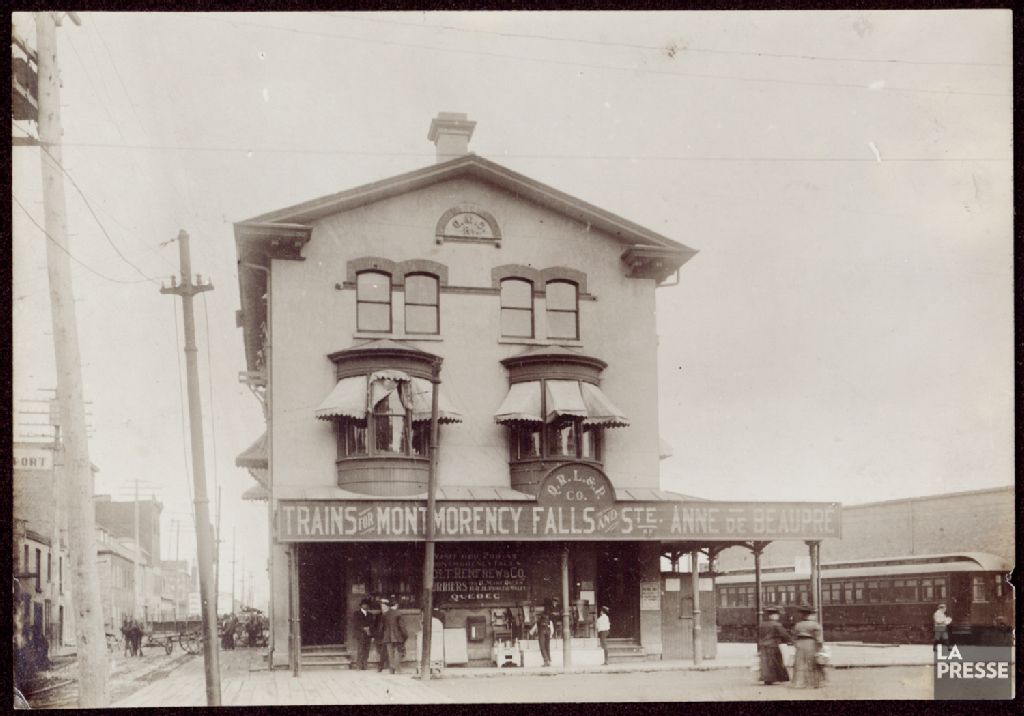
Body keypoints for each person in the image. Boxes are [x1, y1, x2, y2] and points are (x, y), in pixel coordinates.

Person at [790, 605, 824, 689]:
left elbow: (793, 637)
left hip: (800, 644)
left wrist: (796, 644)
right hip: (811, 644)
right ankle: (812, 683)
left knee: (799, 663)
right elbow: (819, 639)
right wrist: (820, 647)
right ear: (810, 615)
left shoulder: (797, 625)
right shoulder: (815, 625)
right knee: (811, 662)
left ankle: (799, 683)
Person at [757, 607, 791, 685]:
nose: (778, 616)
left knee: (765, 663)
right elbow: (784, 634)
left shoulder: (762, 624)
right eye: (776, 615)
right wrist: (791, 641)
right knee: (776, 661)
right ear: (772, 616)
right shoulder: (776, 624)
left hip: (764, 646)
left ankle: (767, 679)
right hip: (773, 645)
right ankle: (776, 678)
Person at [379, 596, 408, 674]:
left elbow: (381, 628)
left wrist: (382, 637)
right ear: (396, 605)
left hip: (387, 637)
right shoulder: (398, 614)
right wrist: (405, 636)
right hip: (398, 637)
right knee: (399, 653)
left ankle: (392, 670)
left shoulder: (384, 614)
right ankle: (397, 669)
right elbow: (402, 627)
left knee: (390, 654)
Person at [352, 598, 374, 670]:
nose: (365, 606)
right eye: (364, 605)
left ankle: (364, 665)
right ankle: (358, 665)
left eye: (367, 605)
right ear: (361, 605)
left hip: (368, 634)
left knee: (366, 650)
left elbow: (372, 624)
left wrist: (369, 628)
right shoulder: (356, 613)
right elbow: (355, 624)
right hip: (360, 634)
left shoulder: (370, 614)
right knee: (360, 650)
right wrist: (363, 628)